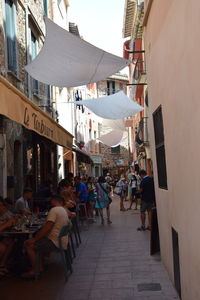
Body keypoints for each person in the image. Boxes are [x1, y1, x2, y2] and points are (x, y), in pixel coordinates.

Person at [23, 195, 69, 278]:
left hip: (54, 242)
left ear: (53, 201)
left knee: (28, 245)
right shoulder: (63, 209)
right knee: (39, 240)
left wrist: (35, 239)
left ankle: (35, 270)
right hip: (61, 241)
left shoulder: (54, 210)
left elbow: (47, 227)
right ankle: (40, 266)